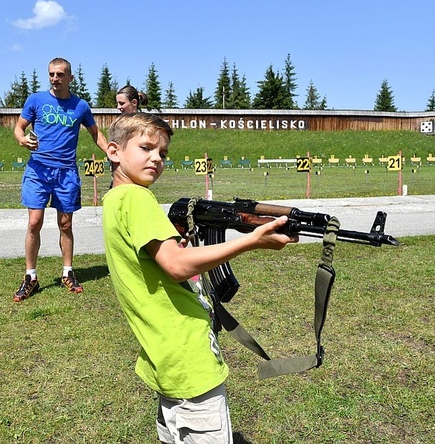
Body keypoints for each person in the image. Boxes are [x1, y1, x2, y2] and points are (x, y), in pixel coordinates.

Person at [101, 112, 297, 443]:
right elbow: (177, 266)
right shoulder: (137, 197)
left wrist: (178, 246)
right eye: (146, 147)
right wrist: (252, 240)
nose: (156, 159)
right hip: (189, 357)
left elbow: (161, 258)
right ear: (114, 151)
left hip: (164, 355)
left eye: (162, 154)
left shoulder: (114, 199)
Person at [12, 57, 108, 302]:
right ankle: (30, 276)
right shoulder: (35, 100)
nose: (55, 79)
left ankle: (68, 272)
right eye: (52, 74)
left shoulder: (81, 106)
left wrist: (112, 153)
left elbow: (96, 134)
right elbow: (18, 128)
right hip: (38, 171)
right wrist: (22, 140)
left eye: (60, 74)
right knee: (34, 222)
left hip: (66, 173)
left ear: (70, 78)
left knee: (65, 224)